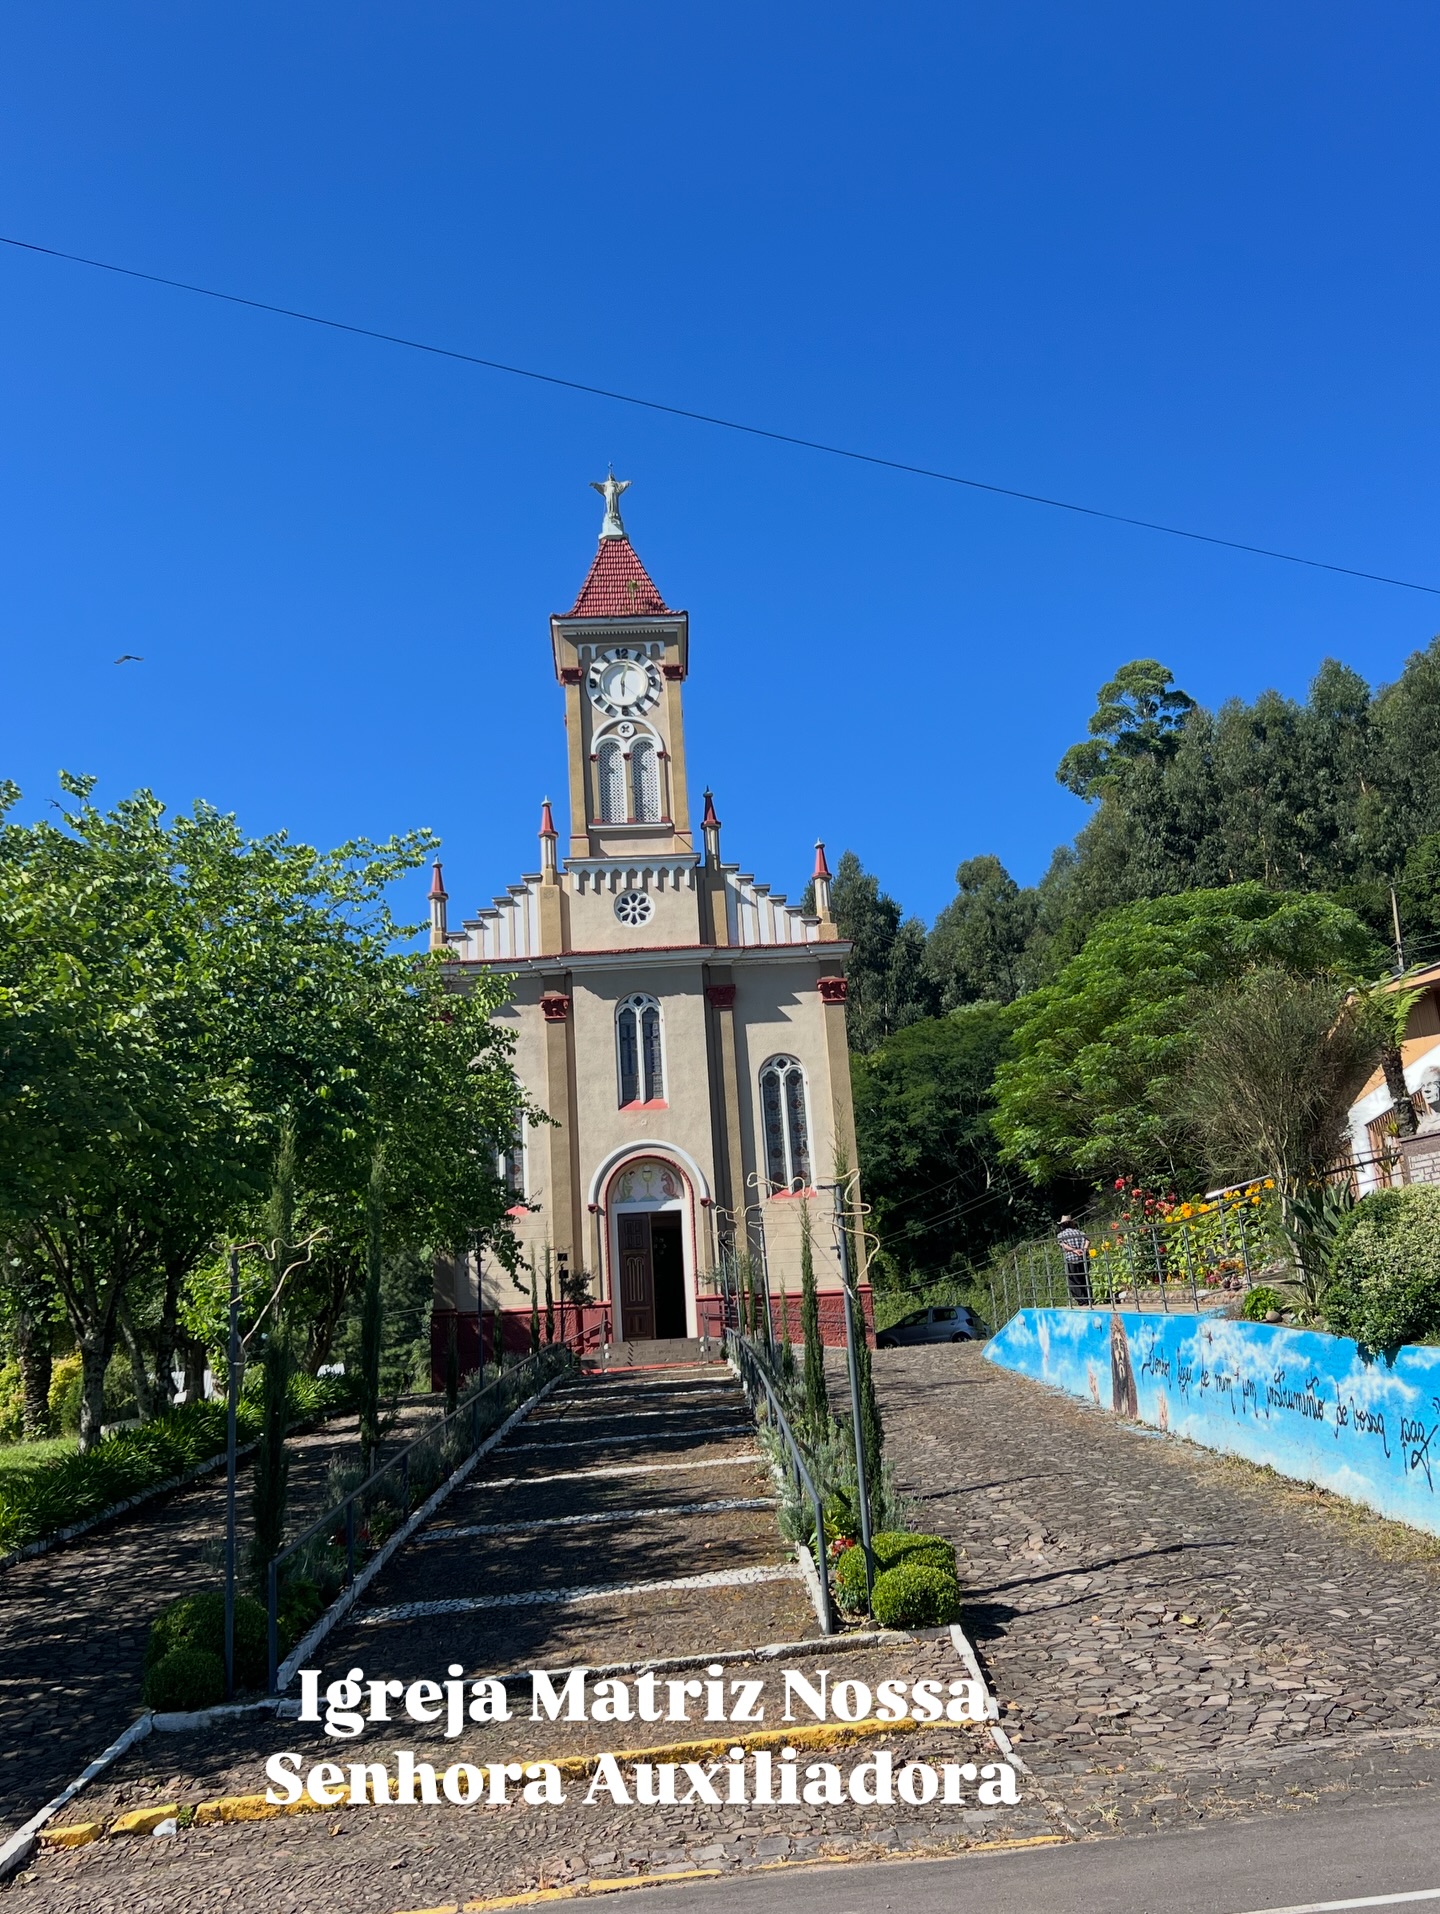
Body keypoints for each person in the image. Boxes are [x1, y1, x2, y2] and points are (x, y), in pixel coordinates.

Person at [1056, 1215, 1091, 1305]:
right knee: (1084, 1278)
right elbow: (1088, 1240)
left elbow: (1063, 1245)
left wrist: (1073, 1250)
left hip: (1072, 1259)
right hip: (1083, 1258)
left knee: (1073, 1281)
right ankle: (1089, 1299)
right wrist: (1084, 1249)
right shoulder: (1079, 1232)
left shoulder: (1061, 1235)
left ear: (1062, 1225)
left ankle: (1082, 1301)